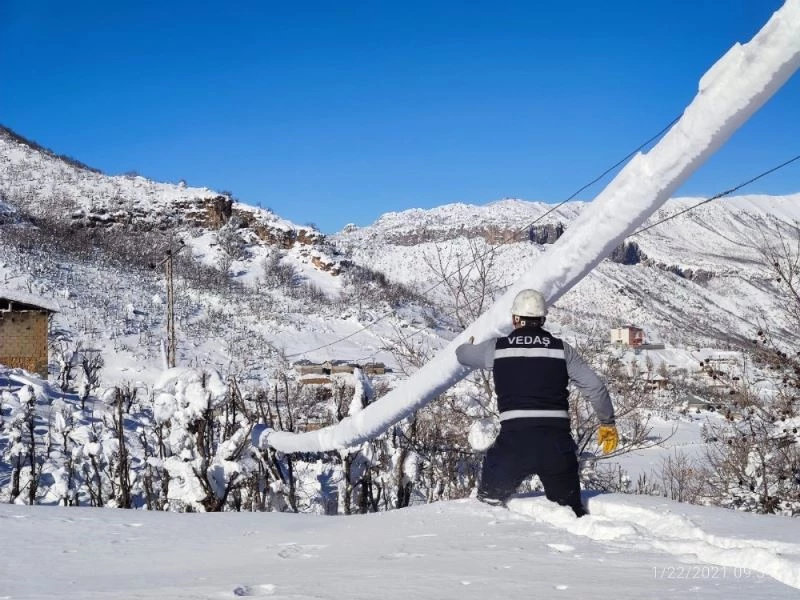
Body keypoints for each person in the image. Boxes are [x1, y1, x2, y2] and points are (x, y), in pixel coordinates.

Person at [456, 289, 617, 517]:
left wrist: (469, 345)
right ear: (543, 319)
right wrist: (607, 423)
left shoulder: (498, 348)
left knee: (487, 508)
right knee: (572, 516)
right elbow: (596, 389)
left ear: (514, 319)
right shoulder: (562, 351)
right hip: (557, 446)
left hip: (513, 445)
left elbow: (462, 355)